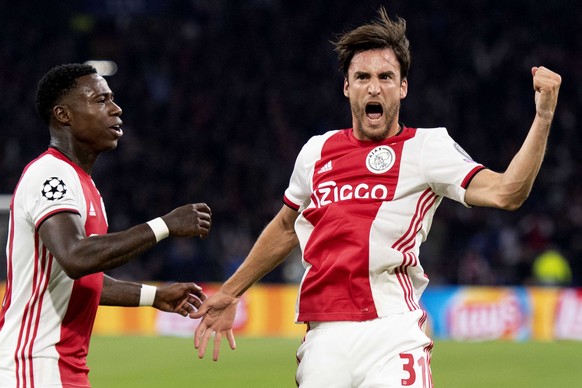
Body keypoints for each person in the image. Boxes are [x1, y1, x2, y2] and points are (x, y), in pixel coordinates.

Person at [192, 6, 561, 388]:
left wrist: (544, 116)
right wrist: (231, 291)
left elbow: (507, 193)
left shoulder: (427, 147)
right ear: (347, 87)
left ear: (403, 87)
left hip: (393, 330)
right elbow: (287, 226)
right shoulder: (316, 151)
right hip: (325, 337)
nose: (374, 87)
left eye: (386, 76)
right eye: (362, 77)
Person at [0, 63, 212, 387]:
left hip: (62, 367)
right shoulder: (50, 175)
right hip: (33, 366)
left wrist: (154, 297)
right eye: (101, 100)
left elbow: (83, 279)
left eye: (112, 99)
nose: (116, 109)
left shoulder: (84, 185)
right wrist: (164, 225)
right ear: (63, 115)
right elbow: (76, 257)